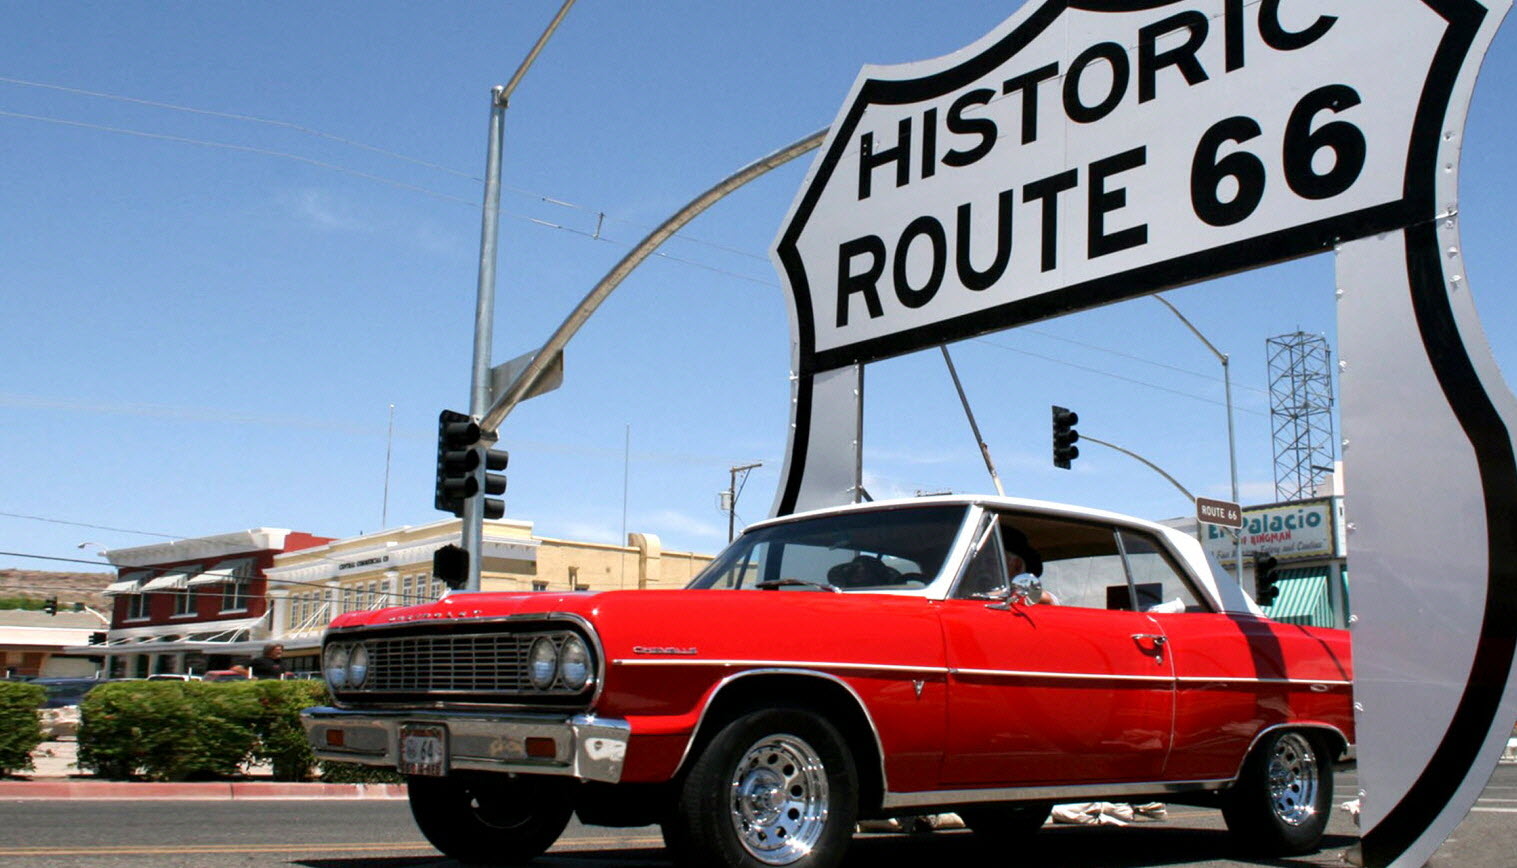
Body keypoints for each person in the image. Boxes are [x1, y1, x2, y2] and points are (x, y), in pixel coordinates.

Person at [1003, 525, 1057, 605]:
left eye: (990, 560)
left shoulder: (1040, 600)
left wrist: (1002, 594)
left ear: (1017, 565)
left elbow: (1047, 599)